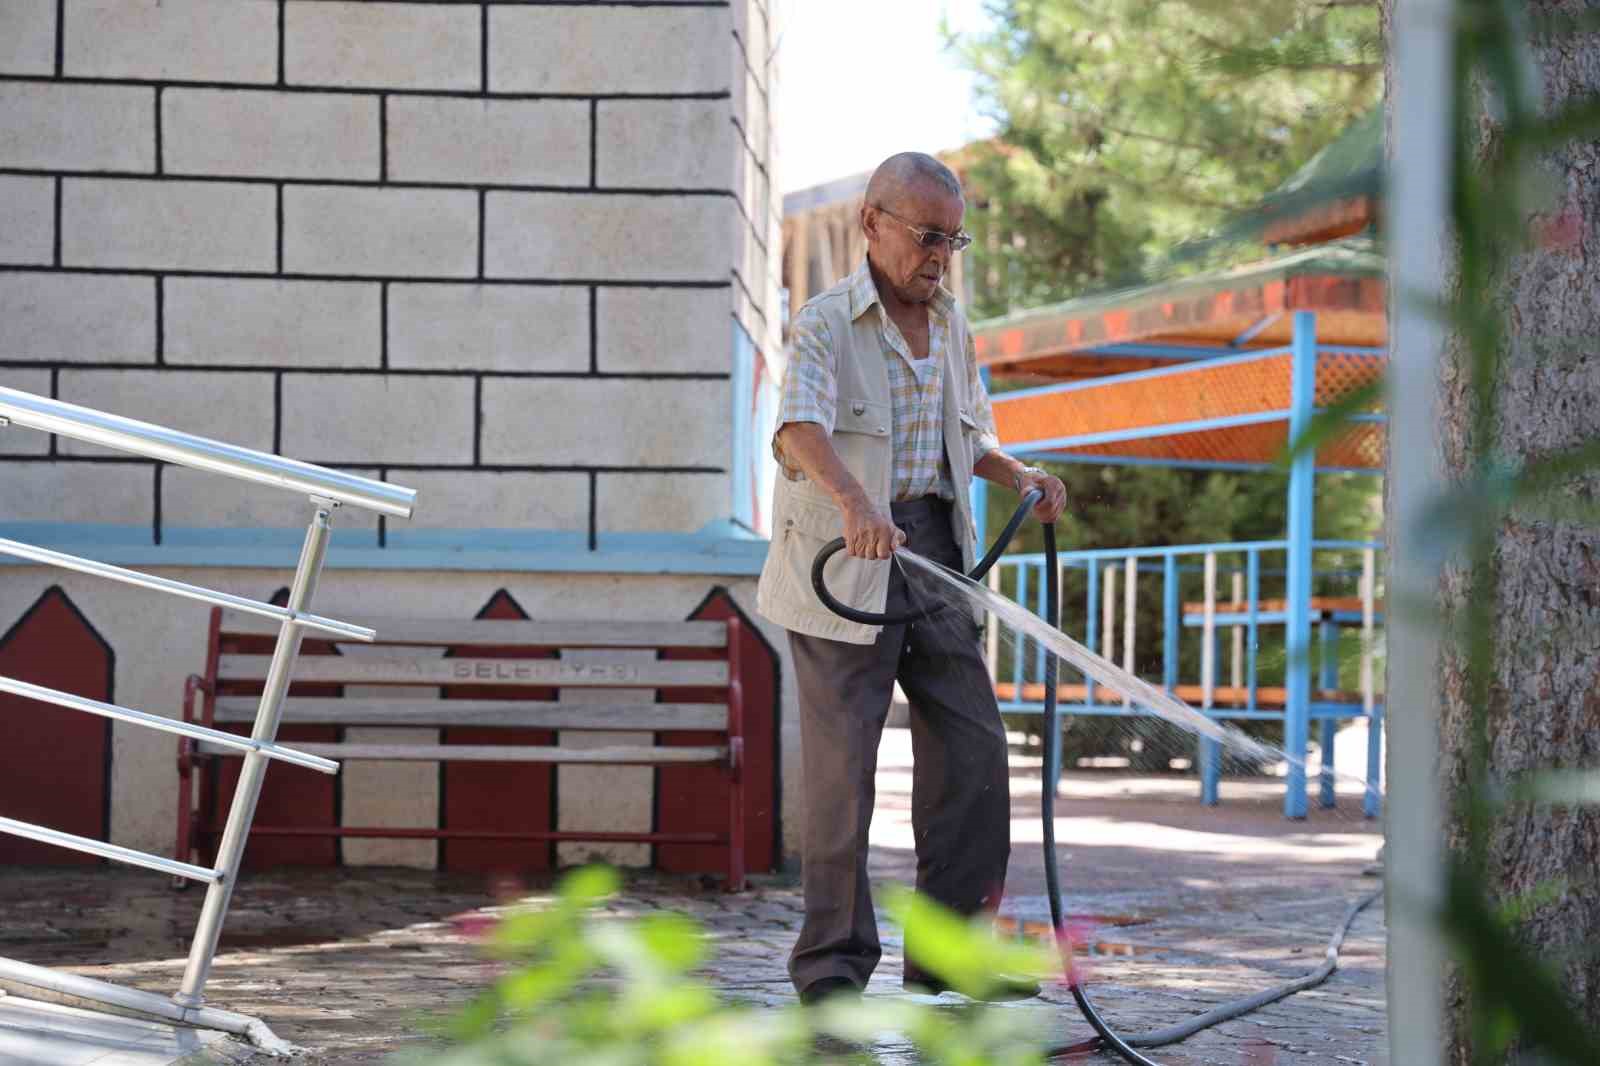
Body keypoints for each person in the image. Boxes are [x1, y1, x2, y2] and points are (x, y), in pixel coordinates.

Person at [756, 152, 1067, 1005]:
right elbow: (796, 431)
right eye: (927, 236)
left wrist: (1023, 477)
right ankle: (830, 971)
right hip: (844, 554)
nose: (940, 255)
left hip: (934, 550)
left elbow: (972, 440)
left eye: (952, 240)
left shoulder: (956, 325)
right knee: (843, 772)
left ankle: (951, 953)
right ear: (873, 223)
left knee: (974, 748)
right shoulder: (826, 322)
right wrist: (857, 504)